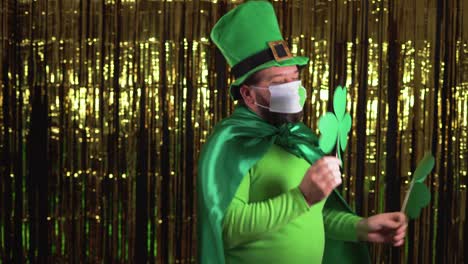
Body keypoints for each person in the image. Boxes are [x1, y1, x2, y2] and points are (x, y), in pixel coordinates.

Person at [197, 1, 407, 263]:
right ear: (248, 94)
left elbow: (312, 213)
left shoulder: (296, 139)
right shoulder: (231, 144)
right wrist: (302, 196)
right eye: (279, 82)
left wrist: (360, 227)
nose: (293, 87)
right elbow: (227, 228)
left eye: (295, 76)